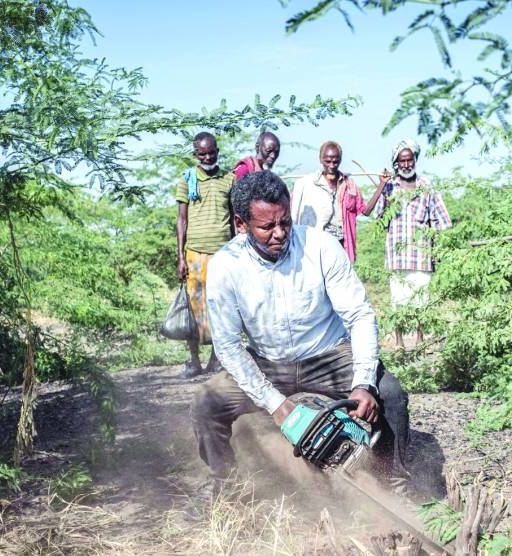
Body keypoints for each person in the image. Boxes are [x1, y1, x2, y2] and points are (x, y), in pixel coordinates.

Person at [192, 170, 411, 490]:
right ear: (241, 224)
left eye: (285, 222)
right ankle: (228, 488)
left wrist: (364, 383)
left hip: (329, 354)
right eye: (267, 226)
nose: (280, 232)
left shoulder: (321, 246)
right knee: (205, 404)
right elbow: (228, 347)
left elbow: (360, 315)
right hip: (266, 362)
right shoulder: (226, 266)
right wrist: (275, 404)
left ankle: (394, 486)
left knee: (391, 396)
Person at [364, 139, 452, 349]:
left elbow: (442, 220)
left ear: (415, 160)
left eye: (409, 160)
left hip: (422, 254)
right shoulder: (390, 186)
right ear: (396, 162)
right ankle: (400, 342)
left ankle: (421, 340)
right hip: (396, 255)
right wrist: (382, 186)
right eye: (401, 161)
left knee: (421, 300)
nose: (406, 165)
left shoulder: (426, 186)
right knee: (399, 300)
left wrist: (438, 247)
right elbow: (375, 215)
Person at [174, 131, 235, 379]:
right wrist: (180, 256)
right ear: (195, 154)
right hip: (195, 255)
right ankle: (194, 361)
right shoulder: (187, 180)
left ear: (217, 151)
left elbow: (234, 219)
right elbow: (181, 220)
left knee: (221, 307)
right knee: (193, 307)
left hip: (223, 254)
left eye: (211, 152)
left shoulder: (229, 180)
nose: (208, 156)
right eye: (202, 153)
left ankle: (215, 360)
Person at [289, 141, 366, 262]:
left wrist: (382, 184)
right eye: (327, 161)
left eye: (335, 161)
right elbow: (292, 211)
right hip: (316, 243)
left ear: (340, 160)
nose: (332, 165)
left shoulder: (348, 185)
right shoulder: (307, 184)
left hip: (340, 243)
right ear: (320, 159)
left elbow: (364, 210)